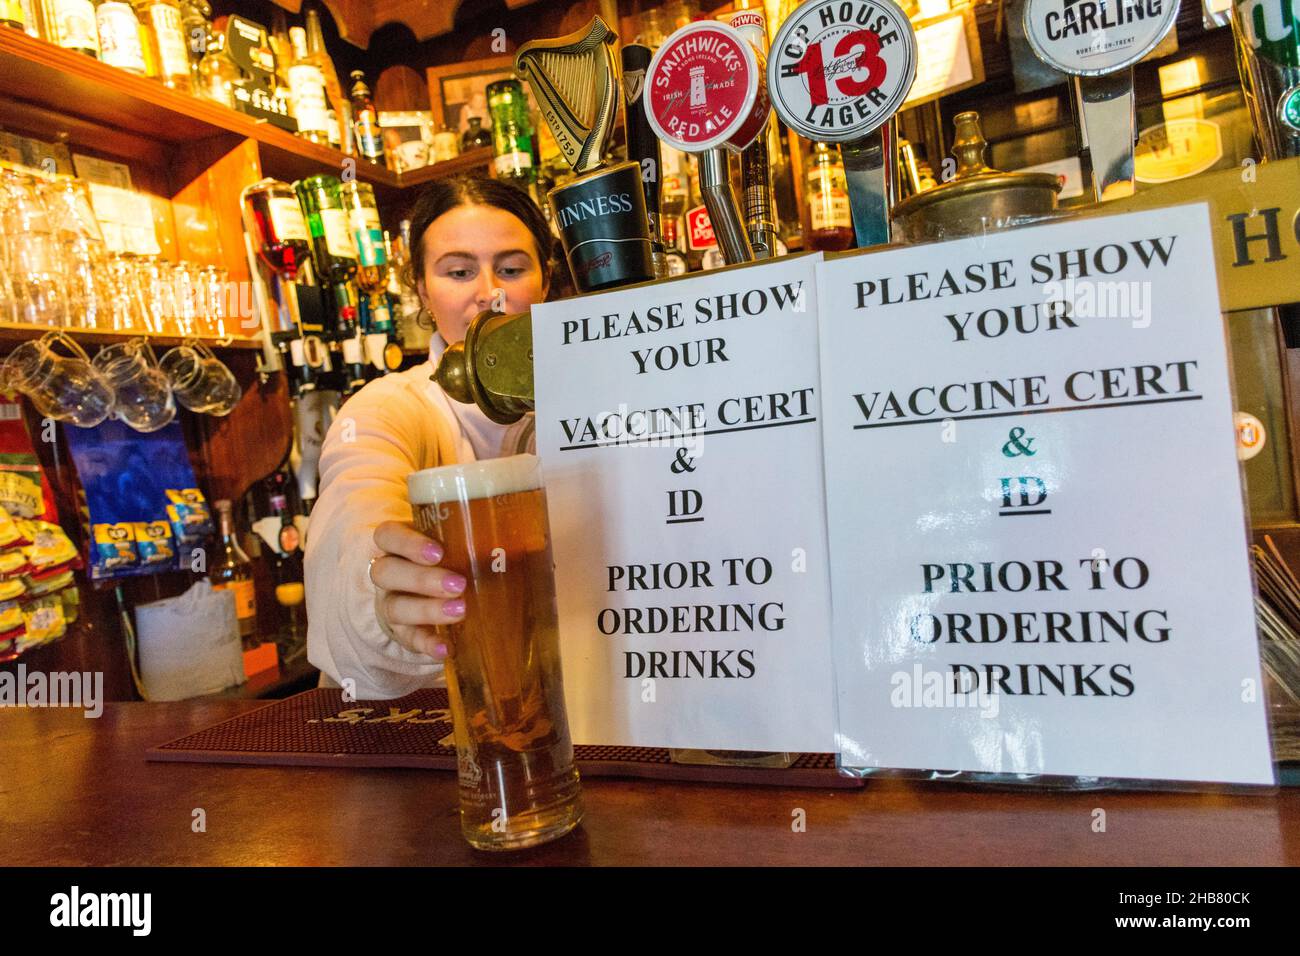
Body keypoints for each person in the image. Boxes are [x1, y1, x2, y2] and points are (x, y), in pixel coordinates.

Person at [305, 176, 554, 699]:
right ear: (421, 288)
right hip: (414, 734)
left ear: (545, 280)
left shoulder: (595, 404)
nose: (490, 293)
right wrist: (381, 598)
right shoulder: (386, 407)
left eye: (511, 269)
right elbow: (356, 513)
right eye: (459, 271)